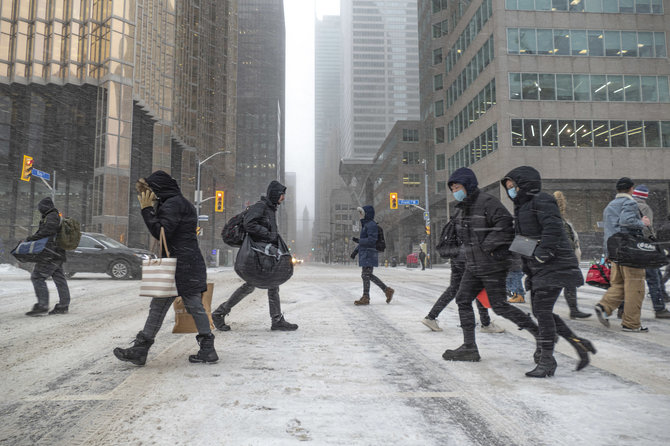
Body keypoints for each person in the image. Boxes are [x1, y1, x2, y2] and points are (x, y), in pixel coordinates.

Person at [114, 171, 218, 365]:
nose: (149, 194)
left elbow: (161, 231)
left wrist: (147, 210)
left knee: (174, 306)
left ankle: (141, 349)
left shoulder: (172, 204)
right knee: (188, 306)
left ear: (159, 188)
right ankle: (207, 349)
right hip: (185, 261)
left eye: (151, 190)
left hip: (179, 264)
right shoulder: (177, 202)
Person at [502, 167, 596, 377]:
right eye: (508, 188)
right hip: (540, 267)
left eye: (512, 186)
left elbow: (552, 228)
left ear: (523, 184)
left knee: (542, 312)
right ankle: (579, 345)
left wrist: (542, 254)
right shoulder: (522, 207)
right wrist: (529, 269)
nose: (510, 191)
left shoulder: (542, 200)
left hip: (554, 264)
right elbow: (524, 243)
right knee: (541, 312)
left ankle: (547, 360)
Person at [441, 168, 539, 364]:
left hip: (492, 264)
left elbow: (505, 225)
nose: (455, 191)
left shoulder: (487, 202)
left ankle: (540, 335)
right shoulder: (462, 208)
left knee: (500, 306)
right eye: (452, 188)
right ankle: (469, 347)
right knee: (462, 299)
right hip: (473, 266)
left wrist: (487, 247)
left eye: (457, 187)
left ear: (468, 185)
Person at [212, 181, 298, 331]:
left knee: (270, 283)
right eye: (282, 195)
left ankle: (276, 319)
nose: (283, 198)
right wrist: (269, 234)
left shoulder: (270, 209)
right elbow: (249, 224)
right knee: (254, 284)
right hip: (256, 254)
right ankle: (220, 313)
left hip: (263, 253)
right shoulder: (261, 206)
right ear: (275, 194)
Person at [594, 177, 652, 332]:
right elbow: (627, 221)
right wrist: (643, 223)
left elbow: (609, 229)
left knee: (619, 284)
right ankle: (631, 323)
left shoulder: (610, 205)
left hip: (615, 251)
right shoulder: (630, 202)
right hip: (630, 251)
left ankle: (604, 307)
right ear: (631, 189)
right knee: (635, 286)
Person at [422, 247, 504, 333]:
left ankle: (431, 317)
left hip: (456, 256)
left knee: (453, 289)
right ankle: (486, 324)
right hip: (470, 256)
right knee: (478, 288)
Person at [24, 197, 71, 316]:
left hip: (50, 253)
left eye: (41, 208)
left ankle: (42, 306)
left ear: (45, 207)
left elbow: (46, 232)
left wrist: (31, 238)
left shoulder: (51, 217)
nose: (40, 210)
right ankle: (63, 305)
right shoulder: (55, 216)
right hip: (57, 253)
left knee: (37, 277)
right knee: (59, 279)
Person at [630, 185, 670, 318]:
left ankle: (621, 308)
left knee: (630, 280)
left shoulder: (626, 205)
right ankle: (659, 308)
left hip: (629, 246)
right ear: (645, 197)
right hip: (645, 247)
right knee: (654, 277)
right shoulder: (644, 207)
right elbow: (647, 229)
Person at [552, 191, 591, 319]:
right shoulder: (557, 220)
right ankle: (546, 310)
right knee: (564, 284)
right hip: (563, 256)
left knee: (567, 283)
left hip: (563, 256)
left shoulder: (559, 220)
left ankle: (572, 310)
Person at [350, 206, 394, 305]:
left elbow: (371, 240)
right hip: (366, 253)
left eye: (361, 213)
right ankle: (386, 290)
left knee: (366, 275)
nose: (360, 215)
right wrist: (355, 251)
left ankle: (367, 297)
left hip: (369, 253)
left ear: (367, 214)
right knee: (367, 275)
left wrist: (359, 241)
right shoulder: (366, 225)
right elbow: (364, 242)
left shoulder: (371, 225)